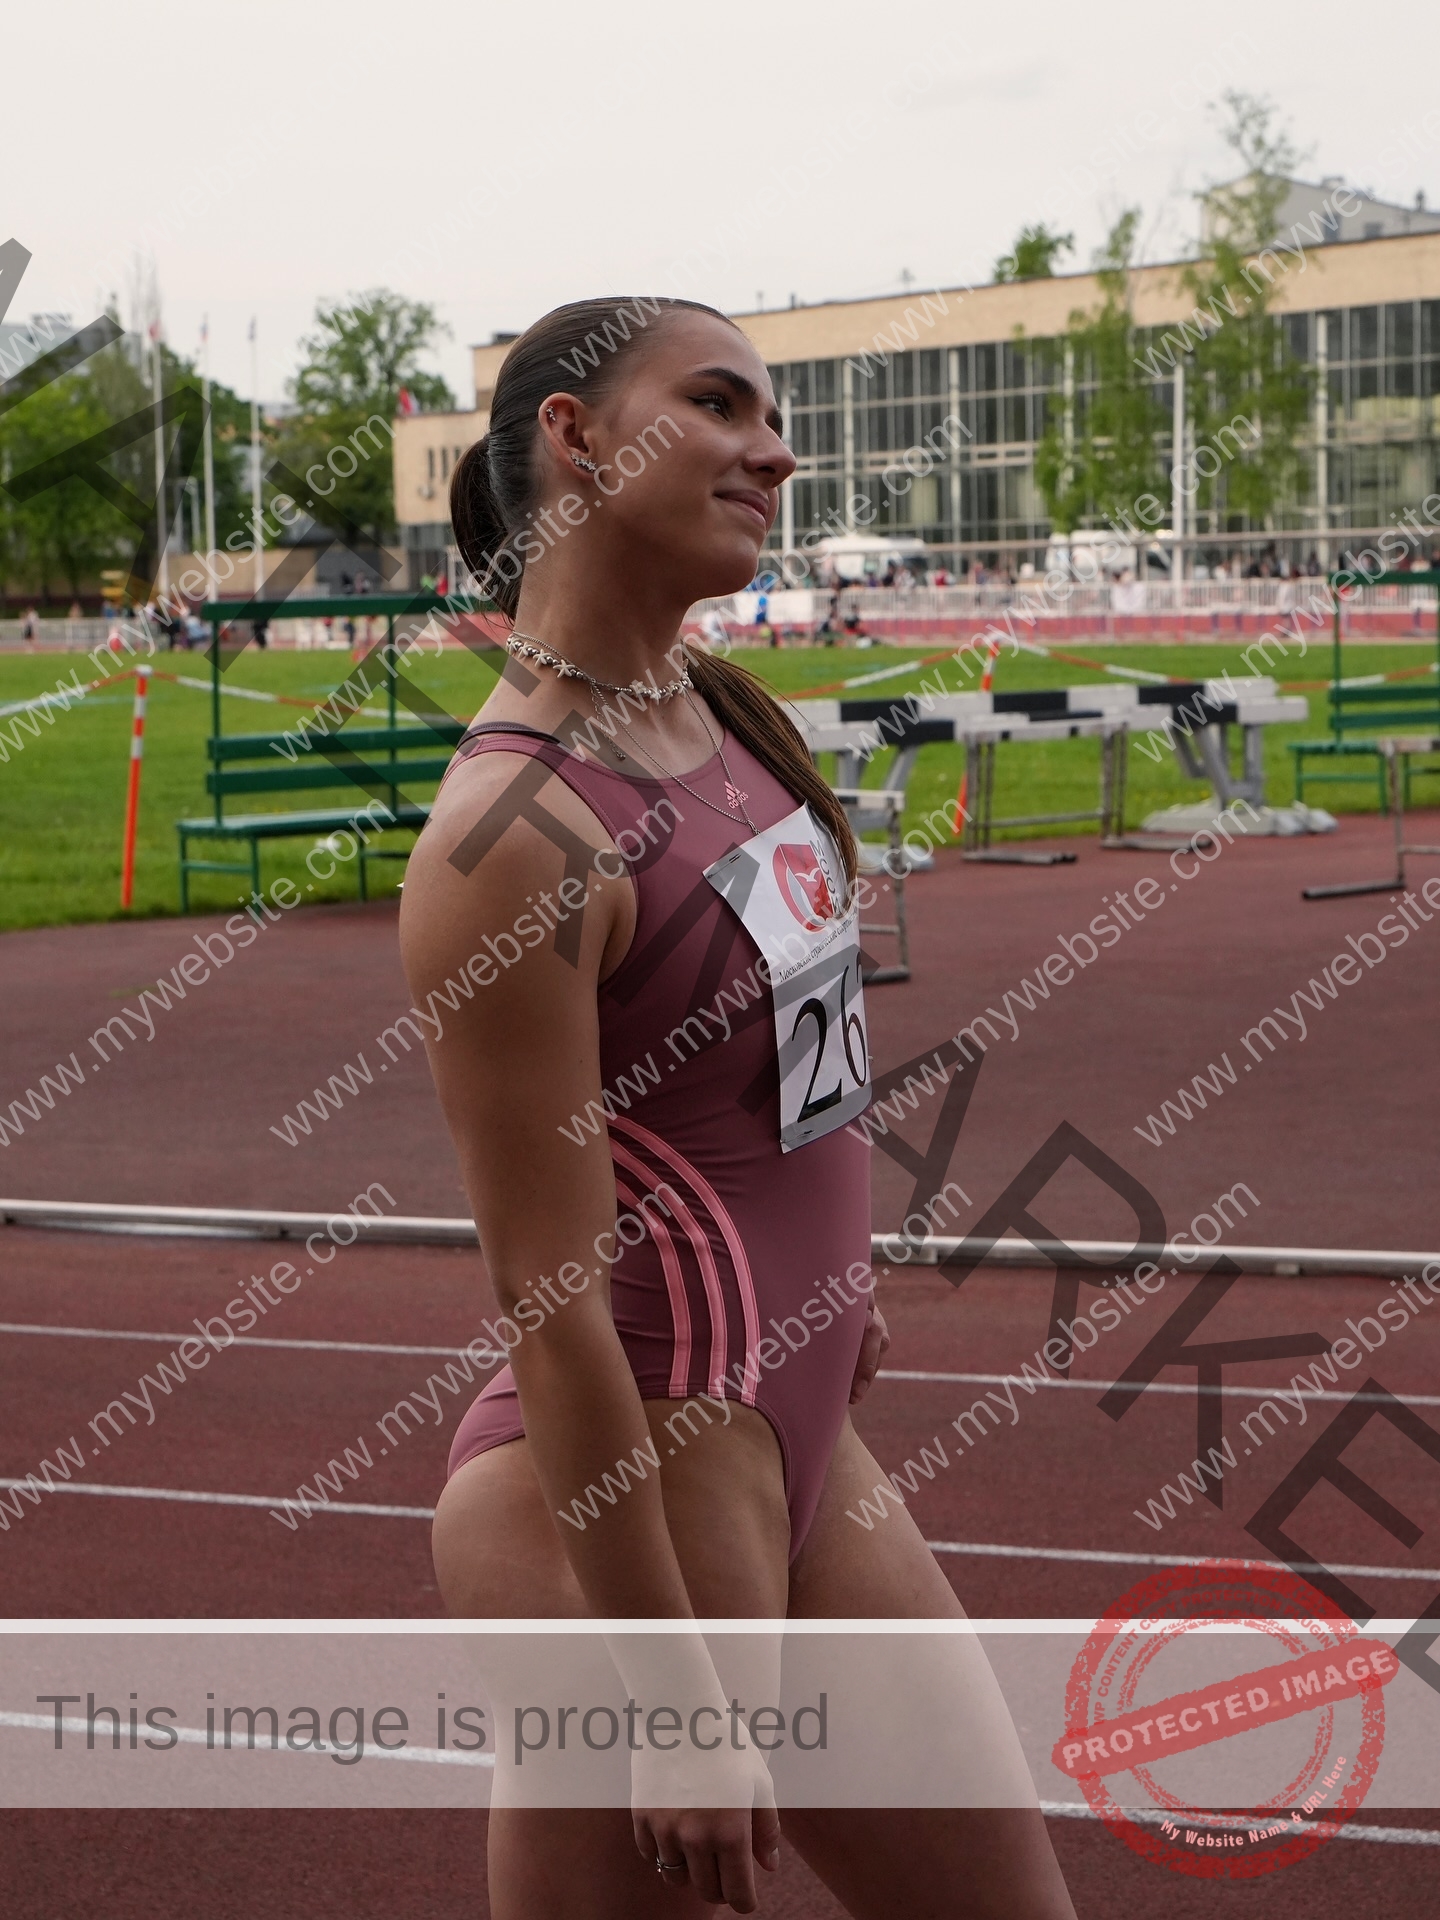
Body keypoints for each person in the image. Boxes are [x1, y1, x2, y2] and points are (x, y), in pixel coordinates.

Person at [400, 297, 1075, 1919]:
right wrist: (675, 1705)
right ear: (574, 438)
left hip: (801, 1435)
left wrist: (838, 1284)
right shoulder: (516, 832)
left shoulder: (724, 724)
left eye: (771, 416)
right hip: (629, 1492)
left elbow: (785, 1078)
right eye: (719, 404)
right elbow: (547, 1295)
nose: (775, 451)